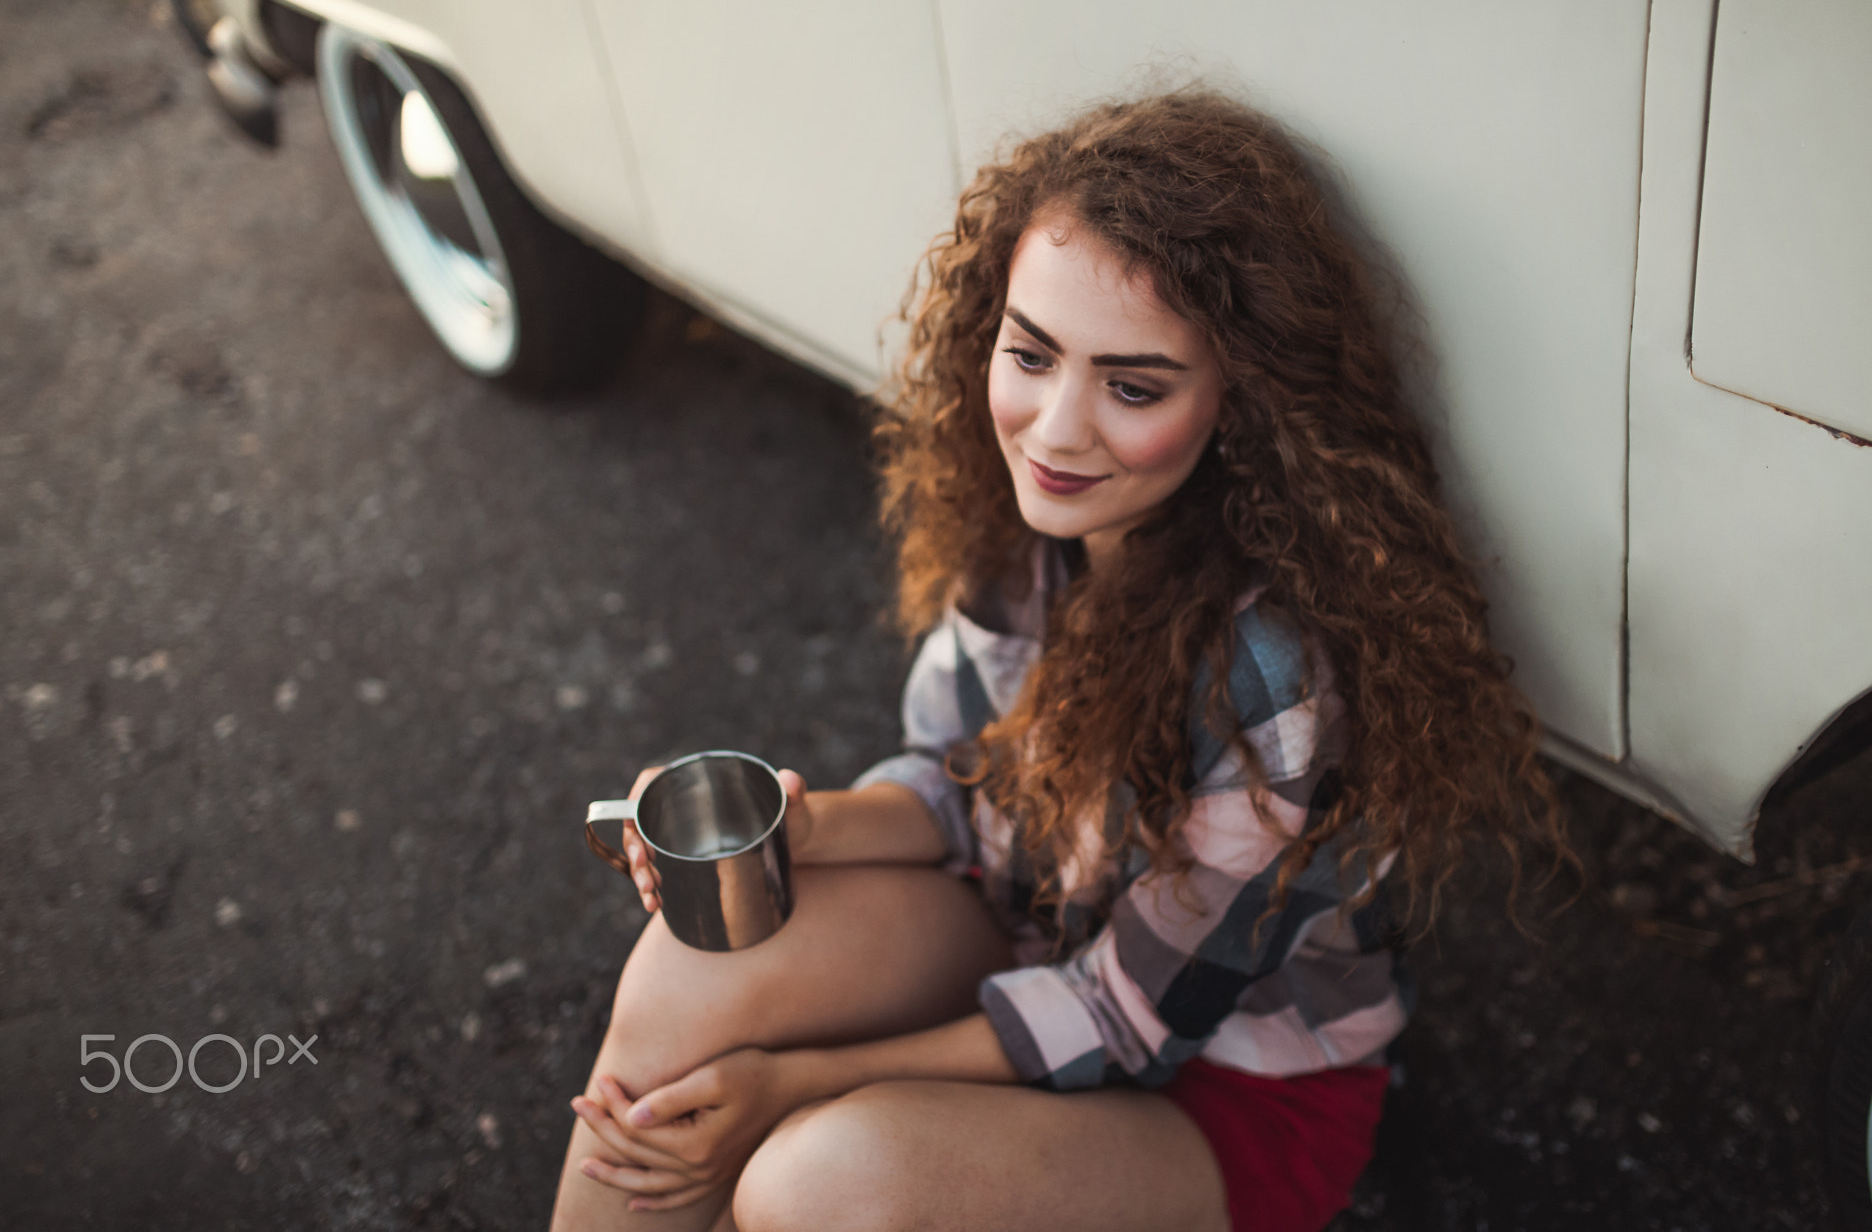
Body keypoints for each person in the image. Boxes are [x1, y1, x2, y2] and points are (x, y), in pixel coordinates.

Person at [549, 90, 1568, 1232]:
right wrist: (800, 832)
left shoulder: (1277, 676)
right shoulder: (1035, 521)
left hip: (1222, 1090)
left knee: (807, 1182)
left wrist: (793, 1084)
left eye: (1132, 385)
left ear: (1240, 403)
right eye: (1030, 354)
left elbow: (1129, 1018)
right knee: (681, 976)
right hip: (1032, 919)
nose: (1054, 429)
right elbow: (964, 782)